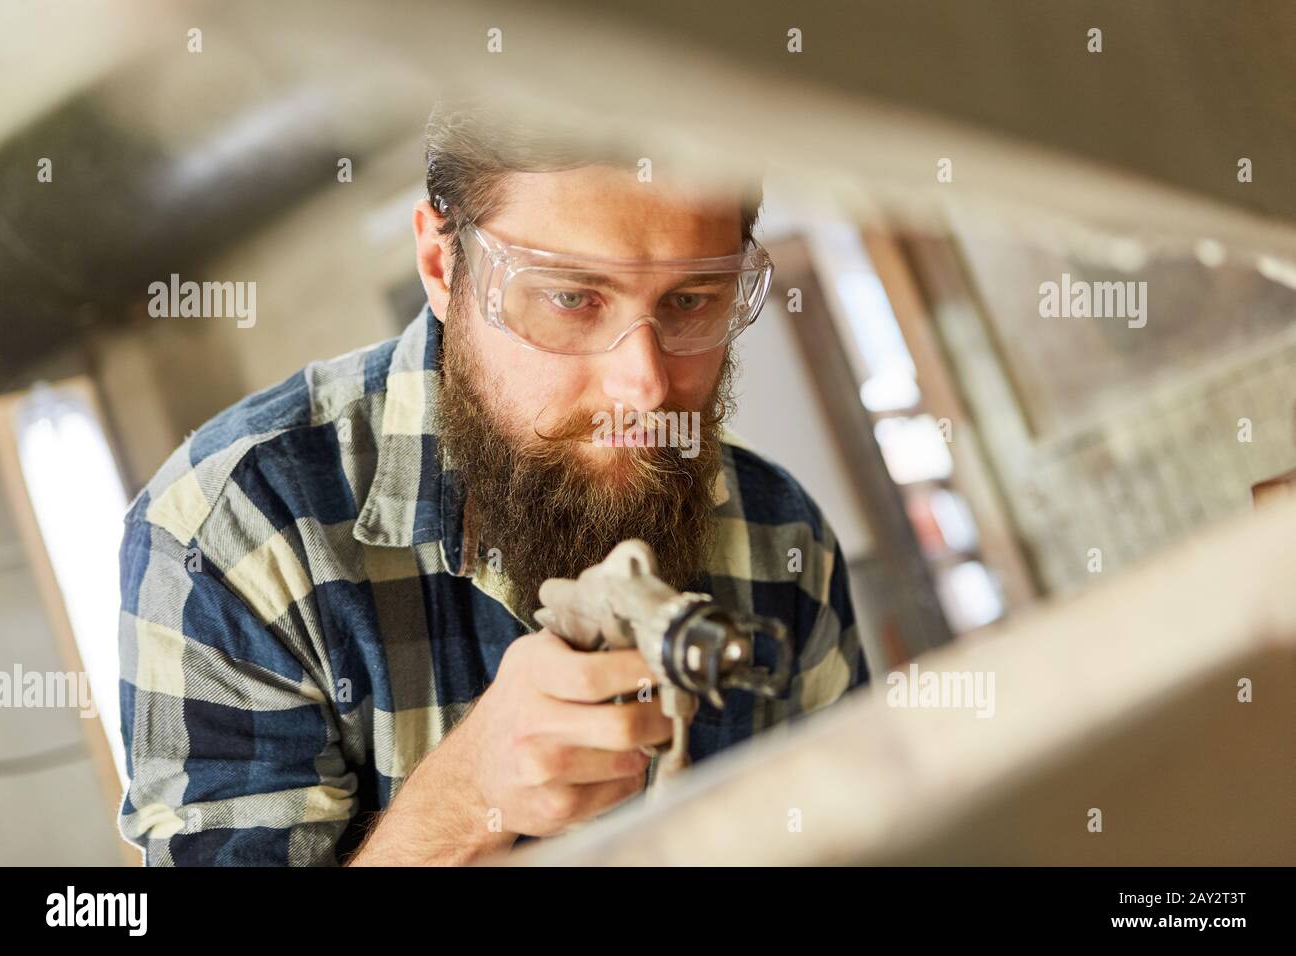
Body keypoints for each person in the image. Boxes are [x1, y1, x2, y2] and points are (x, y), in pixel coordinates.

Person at [117, 96, 868, 865]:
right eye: (572, 298)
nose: (643, 385)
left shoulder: (779, 532)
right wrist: (466, 801)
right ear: (443, 268)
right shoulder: (232, 531)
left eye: (689, 301)